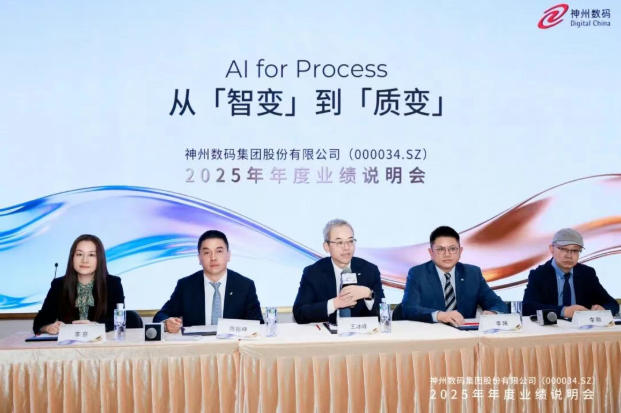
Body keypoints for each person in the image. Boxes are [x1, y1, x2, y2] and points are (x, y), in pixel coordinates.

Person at [153, 230, 263, 333]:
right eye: (206, 253)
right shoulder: (186, 286)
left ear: (228, 255)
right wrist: (166, 324)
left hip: (233, 345)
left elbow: (258, 324)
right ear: (199, 258)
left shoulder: (245, 286)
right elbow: (160, 316)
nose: (213, 258)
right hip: (197, 347)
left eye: (219, 251)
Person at [401, 226, 506, 325]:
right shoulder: (418, 273)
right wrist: (439, 315)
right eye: (440, 249)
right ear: (431, 252)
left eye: (452, 249)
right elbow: (409, 308)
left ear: (460, 251)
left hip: (465, 334)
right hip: (431, 334)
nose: (447, 254)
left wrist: (493, 313)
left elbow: (498, 303)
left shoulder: (472, 273)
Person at [293, 219, 385, 324]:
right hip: (327, 333)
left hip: (361, 333)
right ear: (326, 247)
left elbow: (383, 315)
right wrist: (335, 304)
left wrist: (368, 294)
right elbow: (299, 313)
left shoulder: (370, 270)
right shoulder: (313, 273)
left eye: (350, 241)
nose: (346, 247)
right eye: (339, 242)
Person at [33, 234, 125, 334]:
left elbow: (119, 320)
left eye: (91, 255)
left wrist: (96, 326)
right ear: (72, 257)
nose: (84, 260)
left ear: (100, 259)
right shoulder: (59, 285)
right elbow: (39, 322)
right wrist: (47, 327)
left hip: (102, 341)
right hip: (68, 342)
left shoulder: (113, 283)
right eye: (79, 254)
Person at [522, 228, 619, 318]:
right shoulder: (539, 274)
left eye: (575, 250)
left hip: (582, 328)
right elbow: (527, 307)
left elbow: (612, 304)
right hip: (552, 328)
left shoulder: (587, 274)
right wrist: (563, 311)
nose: (569, 255)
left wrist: (603, 310)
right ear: (552, 249)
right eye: (563, 249)